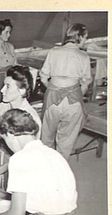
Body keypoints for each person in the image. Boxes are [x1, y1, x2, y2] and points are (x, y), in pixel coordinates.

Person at [0, 109, 78, 215]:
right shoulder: (53, 153)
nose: (7, 146)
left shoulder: (19, 159)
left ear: (11, 135)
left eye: (5, 140)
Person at [0, 65, 42, 185]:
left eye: (7, 86)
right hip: (1, 157)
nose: (2, 90)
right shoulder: (2, 107)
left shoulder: (31, 119)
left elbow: (27, 156)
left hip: (21, 163)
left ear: (21, 90)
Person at [40, 23, 92, 160]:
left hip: (52, 99)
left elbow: (44, 77)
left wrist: (53, 89)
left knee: (46, 139)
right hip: (73, 101)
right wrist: (76, 93)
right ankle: (61, 175)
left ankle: (44, 169)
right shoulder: (84, 56)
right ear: (79, 37)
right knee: (66, 142)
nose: (85, 41)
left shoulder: (53, 52)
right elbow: (86, 82)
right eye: (85, 38)